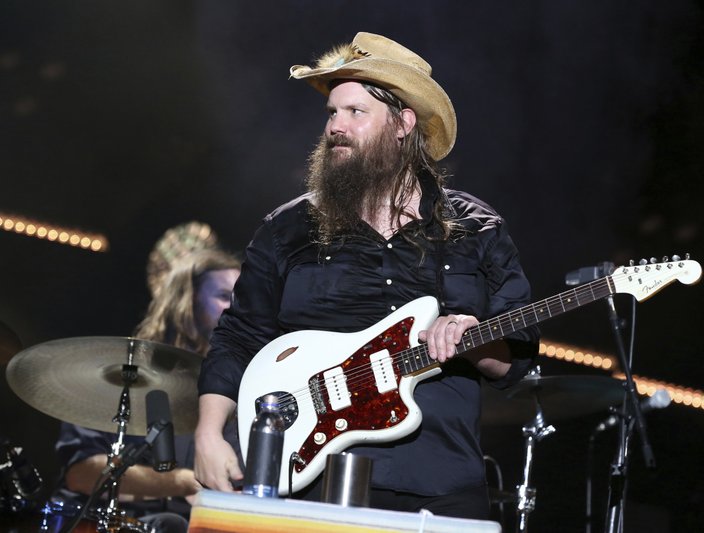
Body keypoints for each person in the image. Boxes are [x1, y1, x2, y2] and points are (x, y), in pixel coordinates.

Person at [194, 32, 539, 520]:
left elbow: (514, 359)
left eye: (355, 112)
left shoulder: (475, 228)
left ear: (403, 123)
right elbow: (238, 336)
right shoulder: (288, 228)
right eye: (332, 113)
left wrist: (468, 336)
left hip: (438, 482)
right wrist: (209, 433)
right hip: (307, 477)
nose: (337, 126)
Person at [52, 248, 240, 532]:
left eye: (240, 300)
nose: (233, 308)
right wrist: (180, 482)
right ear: (185, 303)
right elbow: (81, 474)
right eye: (224, 296)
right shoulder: (124, 374)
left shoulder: (236, 391)